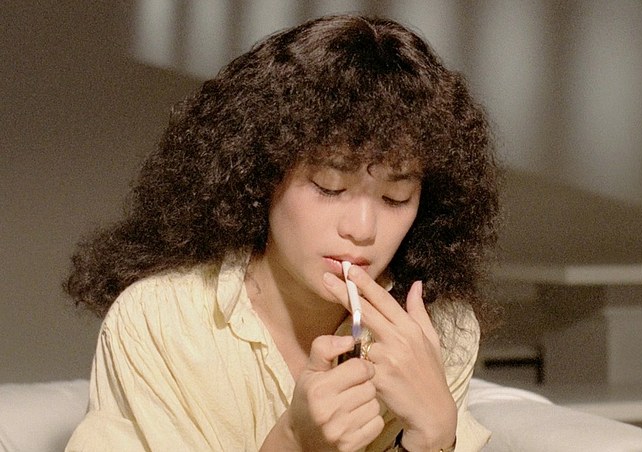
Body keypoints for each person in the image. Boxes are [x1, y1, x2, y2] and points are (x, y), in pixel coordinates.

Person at [64, 14, 500, 452]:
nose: (362, 229)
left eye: (396, 197)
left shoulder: (441, 331)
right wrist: (293, 440)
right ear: (261, 174)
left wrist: (434, 438)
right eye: (329, 187)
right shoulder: (159, 320)